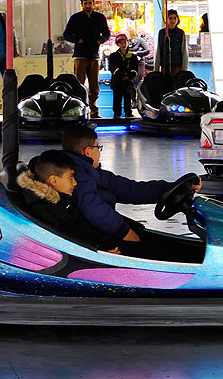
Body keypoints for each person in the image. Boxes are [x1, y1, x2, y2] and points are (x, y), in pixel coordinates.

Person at [60, 125, 201, 256]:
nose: (99, 152)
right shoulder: (79, 174)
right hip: (100, 241)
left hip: (101, 233)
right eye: (98, 147)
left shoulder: (91, 173)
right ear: (87, 151)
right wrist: (124, 232)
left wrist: (170, 188)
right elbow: (92, 207)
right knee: (168, 253)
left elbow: (130, 189)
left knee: (161, 243)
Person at [16, 150, 121, 254]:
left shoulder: (63, 201)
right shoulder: (44, 210)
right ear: (53, 180)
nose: (75, 183)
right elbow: (69, 246)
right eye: (71, 177)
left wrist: (104, 248)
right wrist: (104, 254)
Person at [63, 0, 111, 118]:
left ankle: (94, 110)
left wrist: (101, 40)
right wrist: (77, 40)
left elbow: (107, 33)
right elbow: (66, 34)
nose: (88, 6)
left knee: (94, 86)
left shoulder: (100, 17)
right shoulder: (76, 18)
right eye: (85, 4)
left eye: (90, 3)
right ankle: (79, 110)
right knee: (79, 84)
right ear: (82, 4)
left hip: (94, 56)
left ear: (93, 3)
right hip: (80, 56)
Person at [108, 33, 138, 118]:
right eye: (121, 43)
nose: (123, 44)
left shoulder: (132, 56)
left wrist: (128, 76)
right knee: (117, 98)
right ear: (117, 44)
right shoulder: (113, 56)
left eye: (124, 42)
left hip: (128, 81)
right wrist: (122, 75)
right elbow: (113, 68)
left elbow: (135, 69)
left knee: (128, 98)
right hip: (117, 81)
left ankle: (128, 113)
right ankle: (117, 114)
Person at [155, 9, 188, 76]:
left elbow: (184, 51)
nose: (173, 21)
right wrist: (156, 69)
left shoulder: (181, 33)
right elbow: (159, 51)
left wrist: (184, 70)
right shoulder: (162, 33)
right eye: (170, 18)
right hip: (164, 67)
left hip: (177, 67)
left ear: (177, 19)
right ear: (166, 19)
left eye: (175, 18)